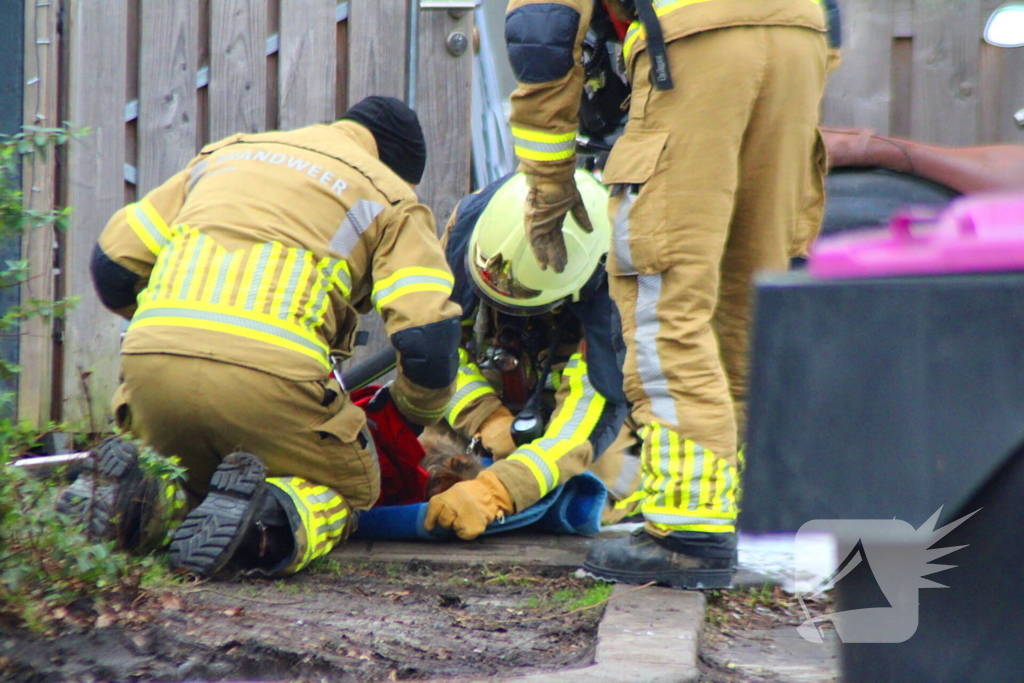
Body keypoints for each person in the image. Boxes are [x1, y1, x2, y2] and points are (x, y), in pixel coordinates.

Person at [58, 96, 462, 578]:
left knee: (191, 475)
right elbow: (428, 342)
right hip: (273, 378)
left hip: (153, 370)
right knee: (353, 485)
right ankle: (263, 528)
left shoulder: (224, 156)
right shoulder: (392, 196)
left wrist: (176, 330)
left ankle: (140, 500)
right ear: (397, 166)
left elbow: (113, 268)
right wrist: (410, 414)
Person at [505, 0, 831, 588]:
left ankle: (686, 533)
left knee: (666, 297)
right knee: (746, 294)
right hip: (800, 35)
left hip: (693, 46)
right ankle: (729, 506)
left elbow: (542, 32)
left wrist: (548, 186)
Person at [422, 169, 634, 539]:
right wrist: (486, 418)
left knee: (592, 480)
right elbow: (435, 351)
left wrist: (496, 491)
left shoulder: (614, 298)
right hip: (487, 400)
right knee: (419, 458)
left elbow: (578, 428)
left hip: (582, 414)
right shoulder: (470, 226)